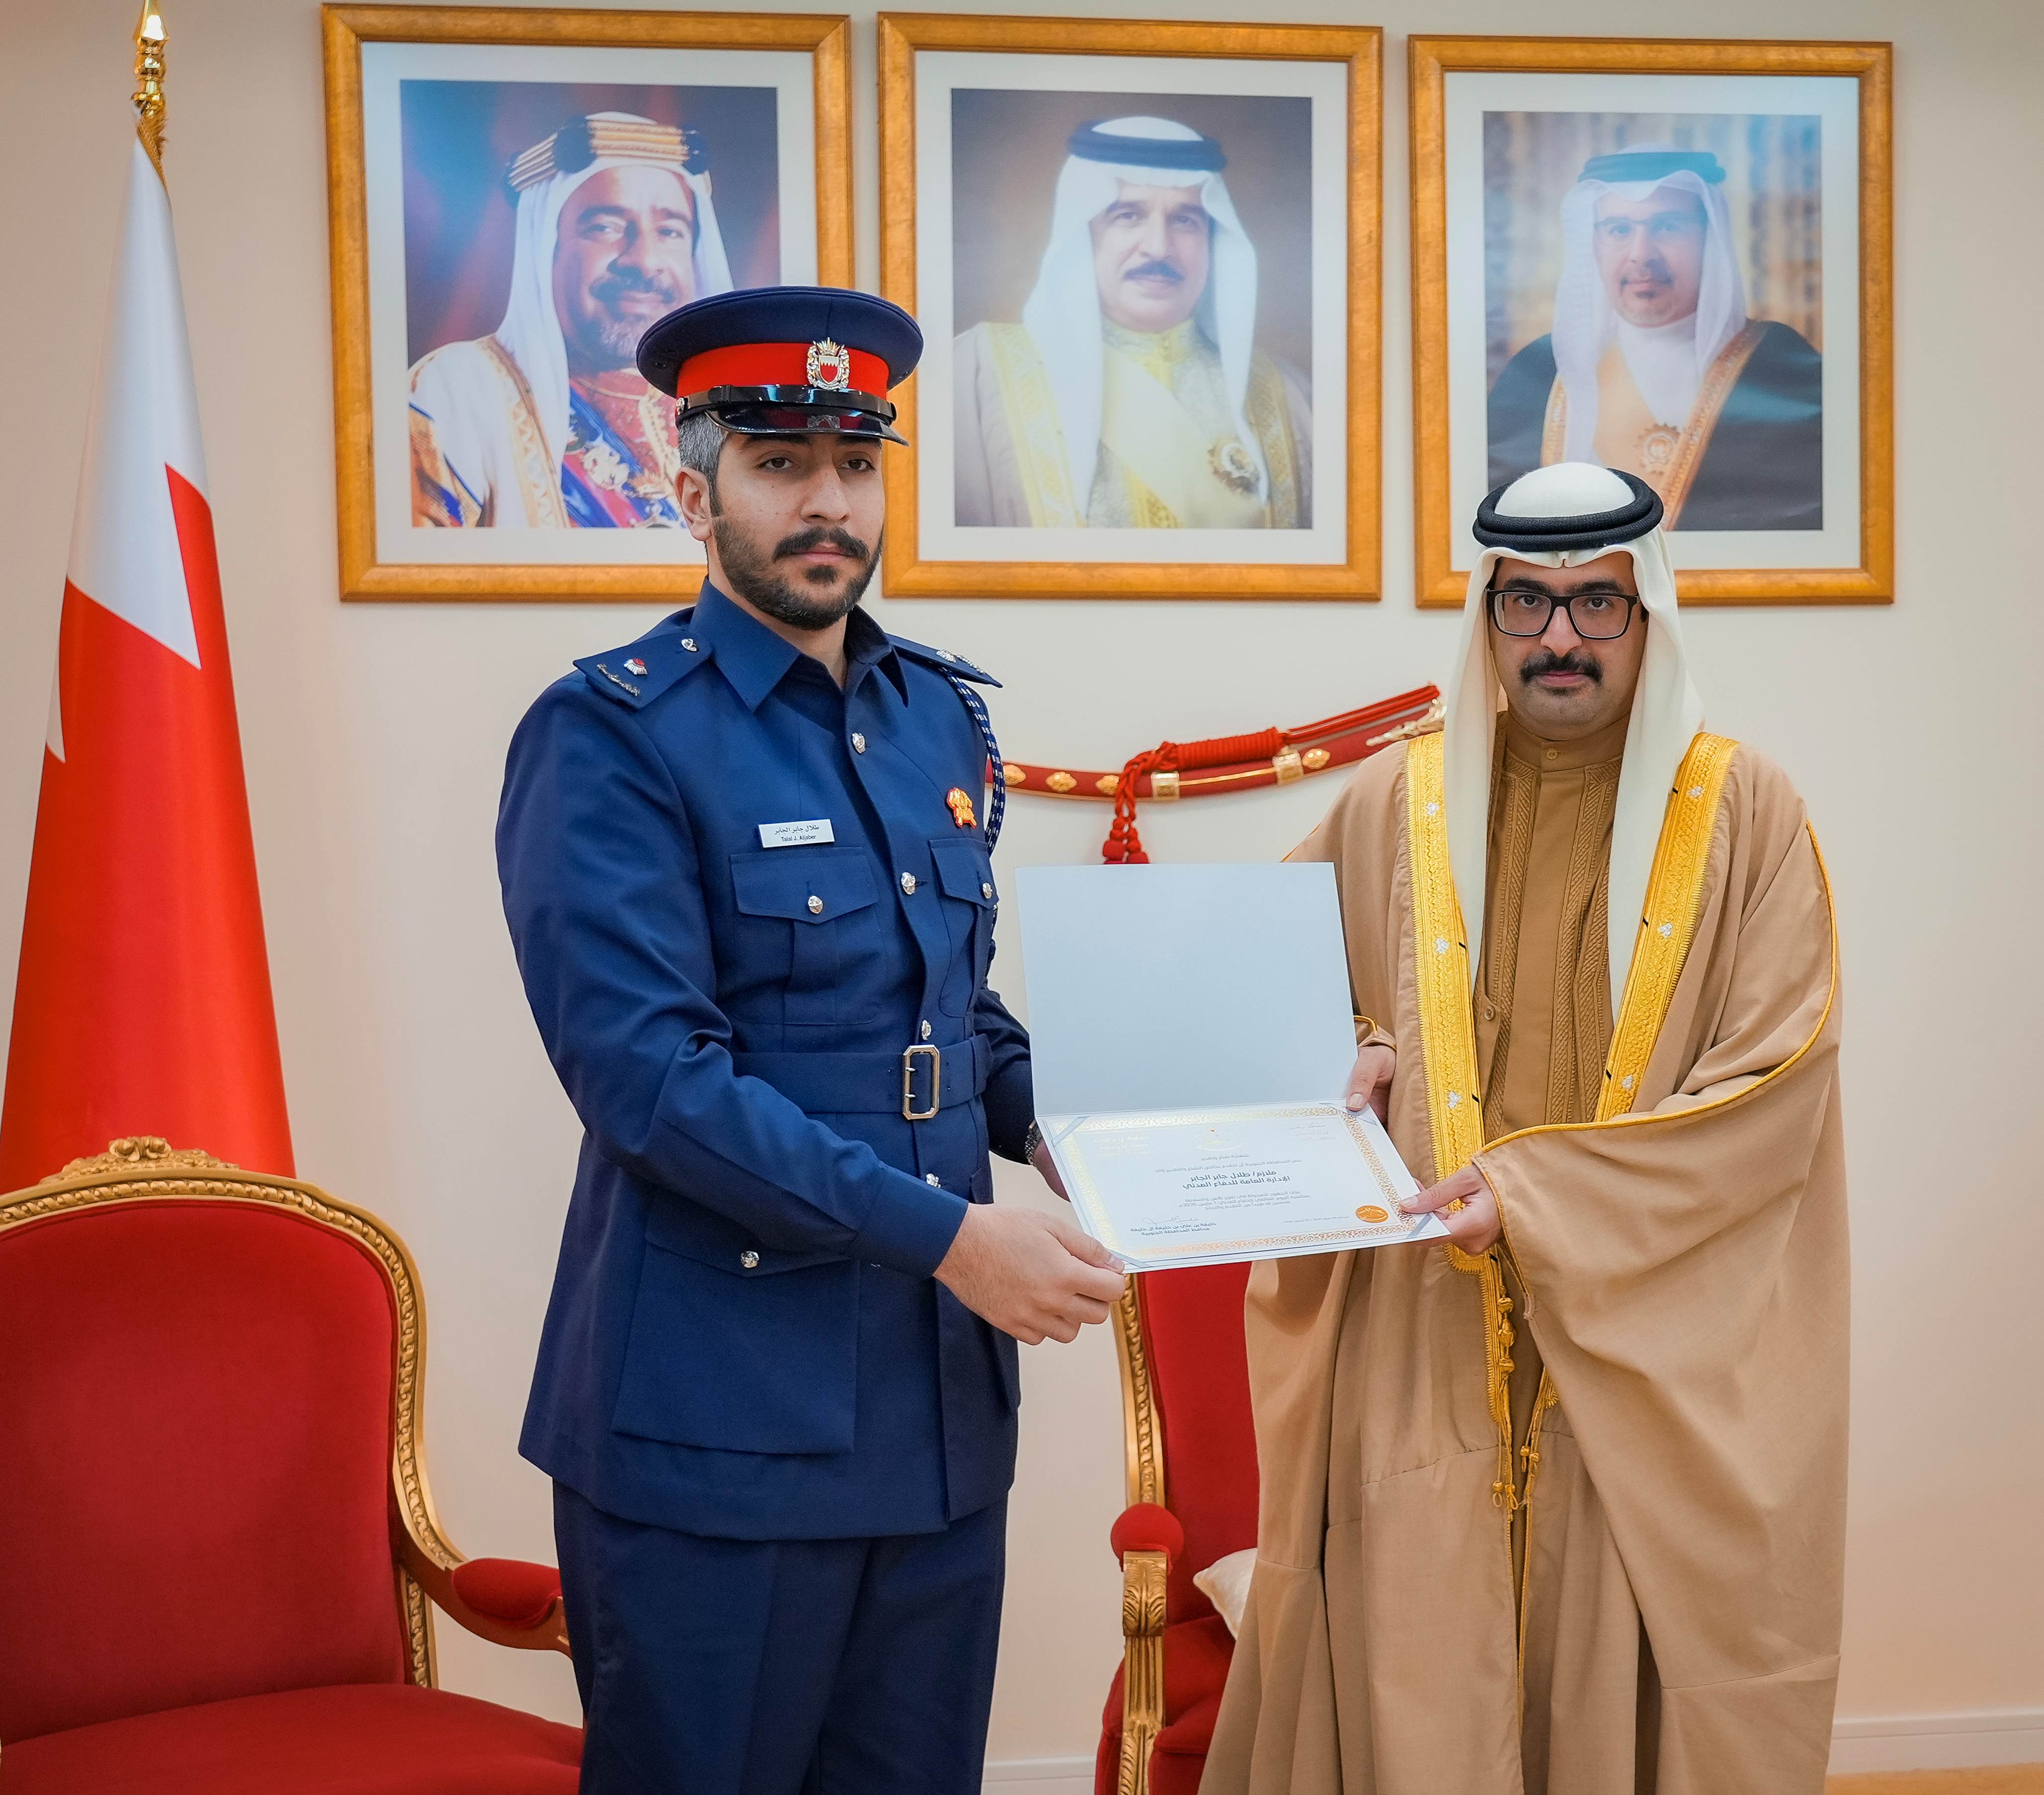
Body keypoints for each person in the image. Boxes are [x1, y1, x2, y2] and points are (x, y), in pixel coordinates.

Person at [496, 285, 1125, 1792]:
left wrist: (1094, 1130)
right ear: (691, 488)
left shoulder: (935, 719)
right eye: (779, 464)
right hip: (714, 1428)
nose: (826, 501)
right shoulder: (611, 732)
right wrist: (952, 1238)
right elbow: (651, 1082)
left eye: (853, 461)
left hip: (932, 1417)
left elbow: (952, 1014)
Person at [1202, 461, 1848, 1794]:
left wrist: (1541, 1202)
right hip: (1422, 1333)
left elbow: (1771, 1083)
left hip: (1642, 1339)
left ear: (1647, 612)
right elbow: (1275, 1003)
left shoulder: (1747, 813)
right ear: (1487, 618)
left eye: (1596, 602)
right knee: (1422, 1654)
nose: (1561, 636)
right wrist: (1353, 1054)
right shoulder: (1394, 804)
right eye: (1528, 603)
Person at [953, 115, 1311, 529]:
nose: (1158, 248)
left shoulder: (1291, 397)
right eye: (1128, 216)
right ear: (1083, 234)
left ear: (1212, 241)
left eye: (1185, 220)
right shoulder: (975, 376)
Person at [409, 112, 735, 528]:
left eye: (670, 232)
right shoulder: (460, 389)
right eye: (605, 227)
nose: (644, 260)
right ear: (545, 248)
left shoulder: (727, 411)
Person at [1487, 146, 1823, 530]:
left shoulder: (1780, 367)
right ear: (1595, 245)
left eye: (1668, 226)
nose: (1641, 255)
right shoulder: (1538, 373)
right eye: (1619, 230)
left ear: (1709, 240)